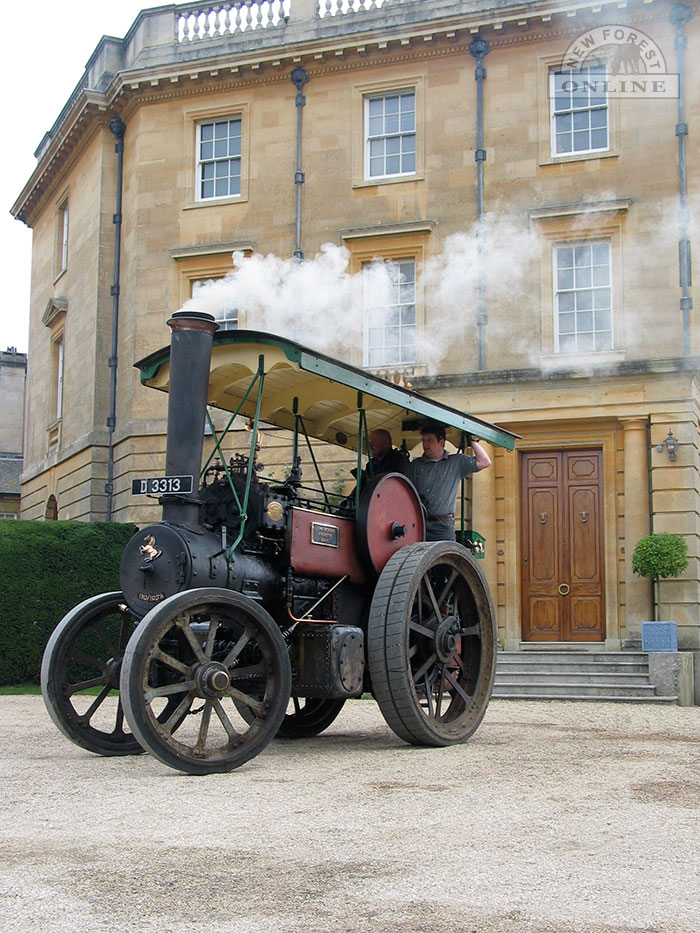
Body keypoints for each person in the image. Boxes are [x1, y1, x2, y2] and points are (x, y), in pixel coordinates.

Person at [407, 422, 491, 542]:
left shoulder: (456, 462)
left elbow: (485, 462)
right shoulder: (415, 466)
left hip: (443, 527)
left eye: (430, 440)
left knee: (445, 560)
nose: (425, 444)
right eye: (424, 440)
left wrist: (473, 441)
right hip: (419, 523)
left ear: (441, 442)